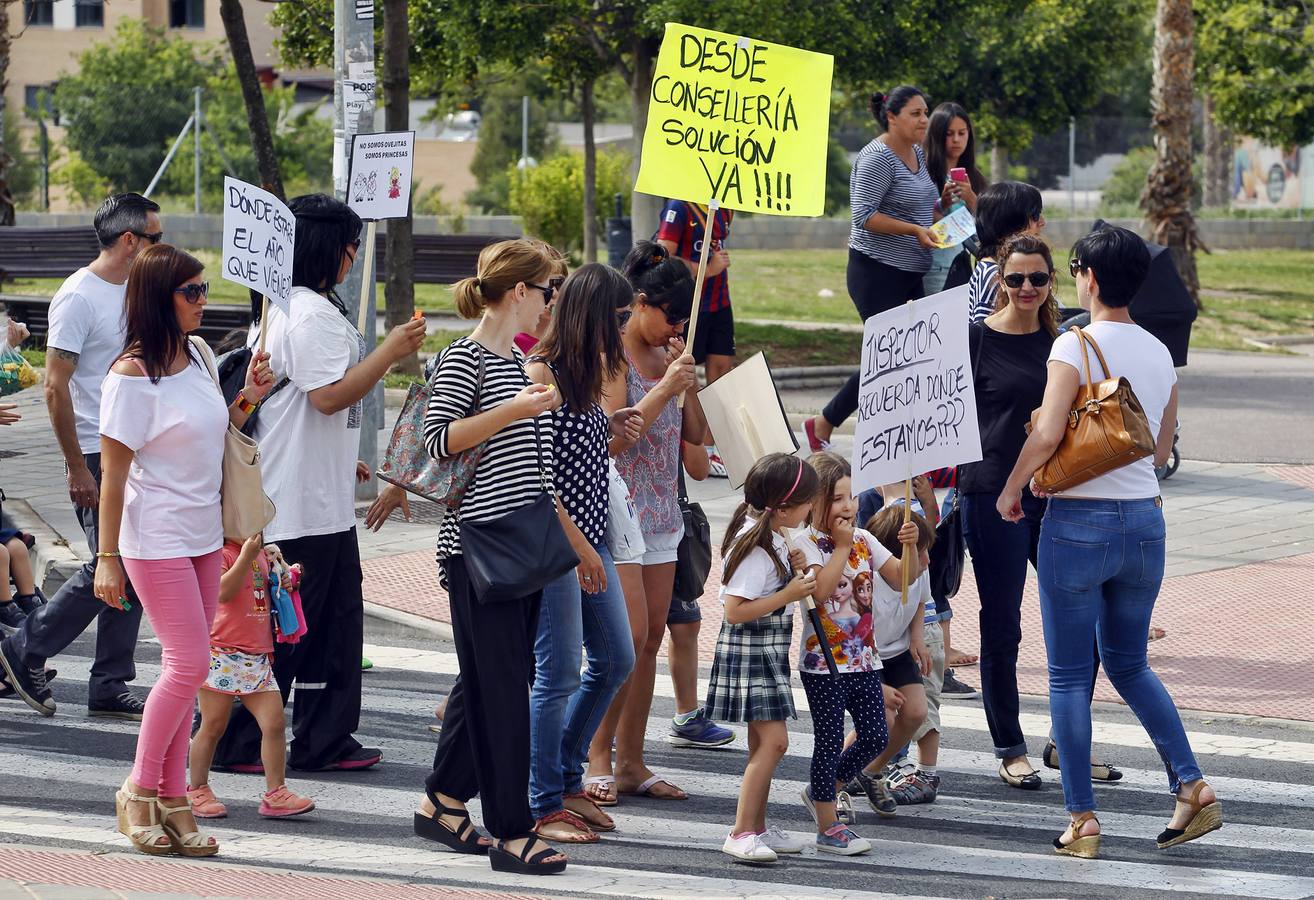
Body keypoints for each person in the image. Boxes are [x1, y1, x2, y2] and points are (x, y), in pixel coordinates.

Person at [998, 226, 1219, 858]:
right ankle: (1191, 784)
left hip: (1078, 522)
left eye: (1072, 270)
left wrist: (1014, 486)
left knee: (1069, 677)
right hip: (1144, 523)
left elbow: (1043, 439)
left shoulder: (1074, 344)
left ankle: (1082, 819)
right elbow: (1164, 440)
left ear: (1089, 279)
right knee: (1128, 663)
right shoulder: (1156, 349)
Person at [212, 194, 425, 774]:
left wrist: (343, 462)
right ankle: (248, 742)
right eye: (349, 245)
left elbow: (300, 408)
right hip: (300, 507)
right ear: (325, 248)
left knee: (328, 629)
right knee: (292, 630)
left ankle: (319, 738)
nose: (354, 257)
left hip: (310, 495)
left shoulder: (291, 308)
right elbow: (329, 396)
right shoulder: (310, 314)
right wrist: (391, 351)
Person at [91, 243, 275, 858]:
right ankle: (139, 789)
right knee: (190, 665)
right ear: (157, 299)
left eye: (204, 290)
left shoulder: (196, 354)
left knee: (190, 665)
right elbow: (113, 476)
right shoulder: (131, 375)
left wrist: (248, 395)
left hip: (202, 533)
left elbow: (215, 429)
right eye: (191, 292)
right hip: (154, 536)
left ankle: (173, 801)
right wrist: (106, 557)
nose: (203, 302)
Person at [414, 238, 567, 875]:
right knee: (503, 691)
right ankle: (511, 832)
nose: (550, 304)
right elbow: (437, 441)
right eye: (548, 291)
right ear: (519, 293)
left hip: (518, 548)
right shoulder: (465, 358)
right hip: (479, 551)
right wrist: (516, 408)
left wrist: (534, 400)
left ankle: (444, 801)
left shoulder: (518, 361)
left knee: (492, 682)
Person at [960, 233, 1118, 790]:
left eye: (1038, 278)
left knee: (1087, 624)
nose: (1026, 288)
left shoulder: (1066, 342)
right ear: (999, 281)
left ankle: (1065, 740)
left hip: (1056, 493)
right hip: (990, 491)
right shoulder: (974, 340)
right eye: (1015, 278)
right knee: (1003, 624)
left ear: (1053, 280)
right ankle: (1009, 744)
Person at [0, 193, 162, 720]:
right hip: (94, 450)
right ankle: (24, 647)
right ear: (130, 240)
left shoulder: (136, 290)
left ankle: (109, 682)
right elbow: (54, 386)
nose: (162, 247)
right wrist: (74, 465)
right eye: (155, 238)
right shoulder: (78, 296)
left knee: (130, 565)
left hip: (133, 445)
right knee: (107, 562)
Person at [583, 242, 706, 806]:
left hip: (662, 513)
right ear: (639, 304)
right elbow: (612, 434)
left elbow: (697, 439)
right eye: (670, 317)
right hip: (618, 512)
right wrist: (665, 387)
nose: (674, 329)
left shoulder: (671, 359)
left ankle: (632, 759)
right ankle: (598, 753)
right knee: (625, 642)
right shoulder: (612, 357)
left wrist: (690, 384)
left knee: (653, 641)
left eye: (683, 321)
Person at [525, 263, 641, 843]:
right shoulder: (542, 372)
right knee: (559, 672)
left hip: (591, 539)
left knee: (617, 658)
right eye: (620, 318)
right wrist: (579, 551)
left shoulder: (587, 373)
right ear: (594, 314)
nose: (624, 330)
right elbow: (539, 479)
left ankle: (566, 778)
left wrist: (609, 425)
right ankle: (542, 800)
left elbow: (580, 451)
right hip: (557, 547)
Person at [804, 86, 948, 451]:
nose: (924, 120)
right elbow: (865, 216)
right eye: (915, 113)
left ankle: (878, 433)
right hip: (876, 271)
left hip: (909, 272)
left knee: (913, 358)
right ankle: (829, 424)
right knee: (889, 359)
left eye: (925, 112)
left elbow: (921, 204)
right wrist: (914, 230)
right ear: (892, 116)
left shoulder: (917, 153)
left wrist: (939, 208)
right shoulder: (876, 158)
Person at [710, 453, 819, 864]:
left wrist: (793, 577)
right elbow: (734, 610)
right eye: (809, 501)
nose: (812, 508)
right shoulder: (755, 545)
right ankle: (740, 832)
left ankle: (756, 826)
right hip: (751, 648)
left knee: (762, 741)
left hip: (767, 650)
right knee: (774, 742)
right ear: (785, 507)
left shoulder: (770, 535)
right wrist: (788, 594)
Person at [795, 452, 902, 856]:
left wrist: (910, 541)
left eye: (851, 496)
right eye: (838, 498)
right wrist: (840, 546)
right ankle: (828, 824)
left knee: (876, 735)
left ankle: (823, 789)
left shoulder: (863, 538)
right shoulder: (804, 543)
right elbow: (819, 594)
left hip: (864, 660)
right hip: (823, 665)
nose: (849, 506)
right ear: (815, 502)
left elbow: (901, 578)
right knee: (827, 741)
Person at [187, 533, 315, 821]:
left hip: (257, 654)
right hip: (221, 651)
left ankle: (276, 793)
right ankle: (197, 788)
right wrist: (245, 556)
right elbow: (221, 591)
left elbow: (271, 590)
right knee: (213, 725)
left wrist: (285, 577)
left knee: (274, 722)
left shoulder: (263, 553)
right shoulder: (221, 553)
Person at [843, 506, 930, 817]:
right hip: (868, 656)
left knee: (916, 711)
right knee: (883, 720)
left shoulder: (919, 569)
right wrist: (878, 689)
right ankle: (836, 783)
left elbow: (920, 602)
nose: (927, 562)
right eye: (921, 554)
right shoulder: (868, 582)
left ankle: (870, 772)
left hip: (898, 651)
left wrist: (917, 639)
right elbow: (855, 636)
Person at [656, 199, 735, 477]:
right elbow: (661, 256)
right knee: (688, 369)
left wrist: (716, 269)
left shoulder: (725, 208)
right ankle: (695, 443)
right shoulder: (679, 208)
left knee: (723, 370)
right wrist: (706, 267)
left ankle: (715, 448)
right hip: (691, 304)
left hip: (720, 301)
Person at [664, 440, 733, 749]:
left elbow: (700, 468)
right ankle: (606, 726)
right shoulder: (624, 391)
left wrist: (688, 396)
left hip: (672, 518)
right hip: (628, 518)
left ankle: (687, 716)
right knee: (635, 636)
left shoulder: (675, 395)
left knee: (686, 621)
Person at [922, 102, 988, 295]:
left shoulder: (974, 178)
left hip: (964, 263)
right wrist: (942, 206)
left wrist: (971, 198)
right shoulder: (924, 175)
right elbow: (919, 219)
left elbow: (989, 222)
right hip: (933, 266)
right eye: (949, 134)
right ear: (936, 135)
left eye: (962, 132)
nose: (956, 140)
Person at [966, 181, 1045, 323]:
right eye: (1035, 216)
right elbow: (985, 337)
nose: (1042, 222)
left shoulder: (992, 267)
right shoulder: (993, 277)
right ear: (1011, 223)